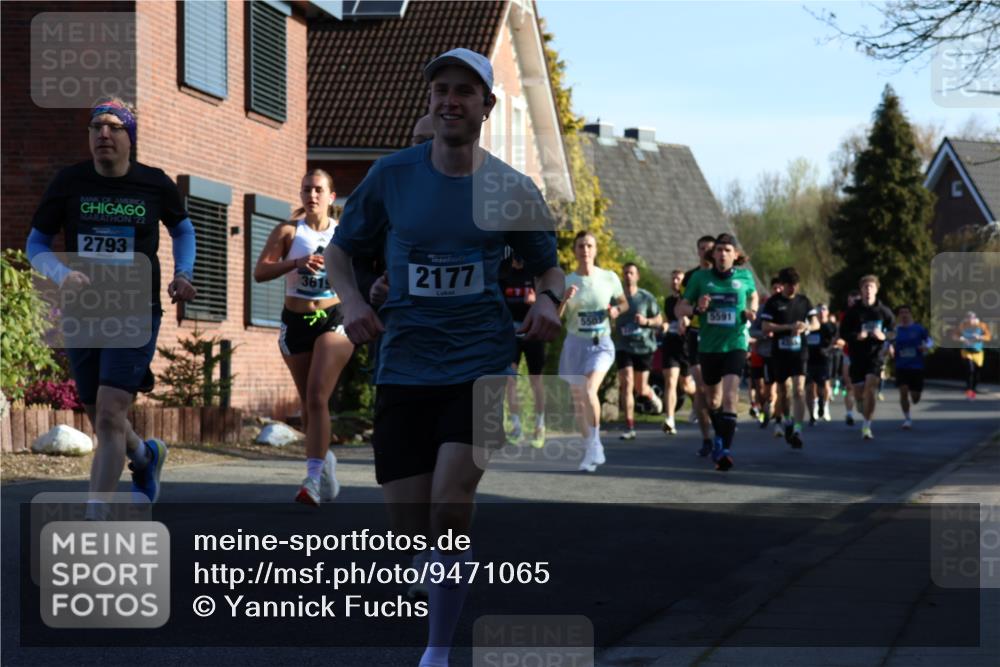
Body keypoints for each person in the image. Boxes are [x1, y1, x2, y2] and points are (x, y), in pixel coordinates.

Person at [324, 48, 564, 667]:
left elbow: (551, 268)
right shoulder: (392, 176)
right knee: (409, 527)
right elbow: (341, 253)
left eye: (464, 91)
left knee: (451, 504)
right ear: (429, 101)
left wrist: (548, 302)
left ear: (486, 107)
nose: (450, 100)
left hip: (482, 361)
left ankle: (437, 650)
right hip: (405, 363)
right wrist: (352, 302)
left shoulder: (511, 188)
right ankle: (434, 574)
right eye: (441, 90)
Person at [26, 97, 197, 517]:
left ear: (129, 137)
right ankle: (144, 456)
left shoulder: (154, 183)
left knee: (109, 412)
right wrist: (62, 274)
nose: (103, 133)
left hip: (135, 309)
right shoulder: (69, 182)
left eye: (113, 127)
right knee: (97, 412)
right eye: (96, 127)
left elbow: (183, 229)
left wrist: (184, 273)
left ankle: (95, 514)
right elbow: (36, 243)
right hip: (84, 311)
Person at [253, 169, 352, 506]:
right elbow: (261, 271)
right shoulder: (289, 231)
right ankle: (325, 461)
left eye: (318, 190)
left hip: (334, 319)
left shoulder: (345, 233)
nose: (311, 196)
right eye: (306, 190)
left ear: (331, 196)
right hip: (295, 321)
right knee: (309, 403)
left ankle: (311, 479)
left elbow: (363, 270)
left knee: (316, 395)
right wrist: (295, 263)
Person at [676, 233, 757, 470]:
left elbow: (753, 296)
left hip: (736, 342)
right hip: (709, 345)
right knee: (713, 399)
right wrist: (695, 308)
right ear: (714, 254)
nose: (722, 254)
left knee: (730, 395)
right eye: (719, 250)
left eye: (727, 250)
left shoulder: (744, 276)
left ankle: (724, 449)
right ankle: (719, 436)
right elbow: (681, 307)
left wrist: (751, 311)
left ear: (735, 255)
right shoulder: (700, 278)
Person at [558, 231, 628, 469]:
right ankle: (589, 449)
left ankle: (597, 442)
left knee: (589, 390)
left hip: (601, 343)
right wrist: (564, 300)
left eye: (589, 245)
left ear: (595, 250)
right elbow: (556, 317)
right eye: (580, 246)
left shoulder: (608, 277)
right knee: (579, 402)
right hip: (575, 343)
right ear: (575, 251)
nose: (585, 250)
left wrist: (617, 310)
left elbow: (623, 302)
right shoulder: (567, 281)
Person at [760, 267, 817, 449]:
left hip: (799, 352)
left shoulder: (804, 301)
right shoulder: (773, 302)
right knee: (784, 391)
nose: (792, 289)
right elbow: (765, 327)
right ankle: (787, 420)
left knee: (799, 390)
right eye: (788, 286)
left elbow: (816, 323)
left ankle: (798, 429)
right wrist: (787, 327)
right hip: (780, 353)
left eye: (795, 285)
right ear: (782, 285)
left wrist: (804, 327)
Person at [499, 252, 547, 447]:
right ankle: (516, 427)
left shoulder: (533, 274)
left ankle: (540, 426)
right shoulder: (504, 274)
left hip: (533, 331)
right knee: (510, 380)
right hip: (512, 332)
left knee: (536, 381)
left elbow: (547, 299)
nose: (517, 260)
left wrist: (536, 300)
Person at [839, 275, 894, 440]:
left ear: (876, 290)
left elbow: (893, 331)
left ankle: (867, 426)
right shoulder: (853, 311)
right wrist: (857, 336)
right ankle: (861, 405)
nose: (868, 290)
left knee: (870, 386)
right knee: (858, 394)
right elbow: (843, 333)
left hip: (875, 356)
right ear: (861, 291)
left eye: (871, 287)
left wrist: (883, 336)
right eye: (865, 287)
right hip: (857, 356)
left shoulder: (884, 311)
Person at [678, 235, 716, 455]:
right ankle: (706, 438)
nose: (705, 252)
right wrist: (684, 318)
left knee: (714, 391)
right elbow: (684, 304)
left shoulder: (722, 276)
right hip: (696, 333)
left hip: (719, 336)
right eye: (701, 248)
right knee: (701, 387)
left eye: (709, 248)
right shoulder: (691, 277)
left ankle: (719, 427)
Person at [615, 262, 663, 439]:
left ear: (637, 277)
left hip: (644, 346)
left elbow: (659, 319)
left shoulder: (645, 297)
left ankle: (652, 396)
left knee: (640, 388)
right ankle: (629, 426)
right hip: (623, 347)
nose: (628, 276)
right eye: (625, 273)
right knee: (627, 384)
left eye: (631, 273)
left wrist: (646, 322)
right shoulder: (616, 298)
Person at [661, 269, 696, 435]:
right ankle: (670, 419)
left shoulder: (690, 299)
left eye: (678, 279)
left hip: (686, 345)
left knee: (686, 385)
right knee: (670, 381)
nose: (675, 281)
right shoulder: (668, 301)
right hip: (670, 343)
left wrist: (687, 321)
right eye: (673, 278)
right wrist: (665, 326)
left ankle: (697, 402)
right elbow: (668, 319)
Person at [889, 305, 933, 429]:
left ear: (910, 314)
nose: (904, 315)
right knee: (903, 392)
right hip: (901, 366)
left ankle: (915, 395)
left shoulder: (918, 329)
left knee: (915, 397)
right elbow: (888, 342)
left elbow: (930, 341)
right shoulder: (896, 330)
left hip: (916, 366)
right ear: (898, 316)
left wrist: (926, 347)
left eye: (906, 312)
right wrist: (890, 348)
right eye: (901, 313)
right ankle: (907, 418)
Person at [805, 304, 838, 424]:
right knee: (809, 388)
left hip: (823, 360)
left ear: (828, 312)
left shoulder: (830, 326)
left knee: (823, 386)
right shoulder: (809, 326)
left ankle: (824, 405)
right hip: (808, 360)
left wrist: (828, 349)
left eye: (824, 309)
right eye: (818, 309)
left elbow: (838, 341)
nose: (821, 312)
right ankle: (811, 416)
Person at [954, 311, 992, 400]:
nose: (970, 321)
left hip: (978, 352)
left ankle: (974, 388)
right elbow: (954, 336)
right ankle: (969, 389)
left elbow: (988, 337)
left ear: (975, 319)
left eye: (972, 318)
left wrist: (980, 337)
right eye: (968, 318)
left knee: (977, 371)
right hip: (966, 351)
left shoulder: (982, 325)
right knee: (970, 369)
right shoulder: (962, 325)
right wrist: (961, 338)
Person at [837, 290, 861, 426]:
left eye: (855, 300)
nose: (852, 303)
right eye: (850, 300)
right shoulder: (844, 315)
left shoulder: (864, 313)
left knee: (861, 387)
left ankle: (861, 401)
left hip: (863, 354)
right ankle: (849, 413)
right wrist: (838, 341)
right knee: (848, 384)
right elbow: (841, 333)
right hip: (848, 353)